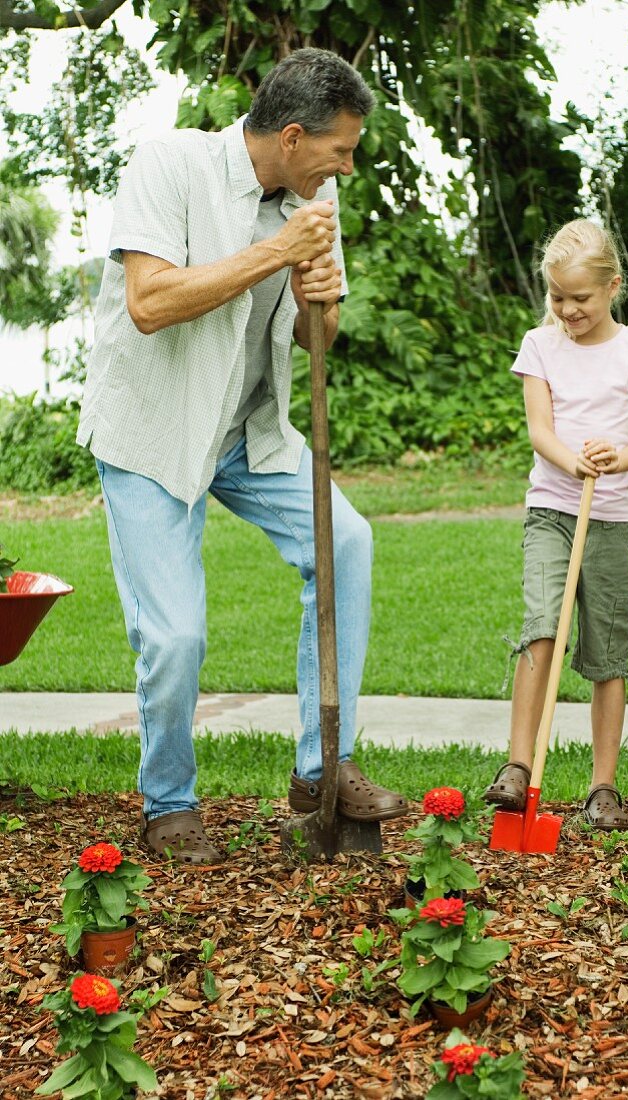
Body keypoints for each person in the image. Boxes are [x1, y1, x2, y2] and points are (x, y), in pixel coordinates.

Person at [77, 48, 408, 865]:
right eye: (342, 149)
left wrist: (317, 304)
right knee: (177, 636)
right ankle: (169, 801)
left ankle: (322, 765)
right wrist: (279, 254)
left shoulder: (313, 198)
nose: (348, 166)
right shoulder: (169, 164)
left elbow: (314, 337)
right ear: (292, 137)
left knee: (348, 543)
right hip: (153, 431)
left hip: (248, 434)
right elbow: (150, 302)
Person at [484, 219, 628, 830]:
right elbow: (541, 430)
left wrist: (615, 457)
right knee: (541, 628)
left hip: (613, 521)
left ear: (613, 286)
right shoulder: (540, 346)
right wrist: (572, 460)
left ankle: (603, 787)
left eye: (580, 298)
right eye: (558, 296)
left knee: (606, 655)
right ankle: (516, 767)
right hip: (551, 514)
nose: (568, 309)